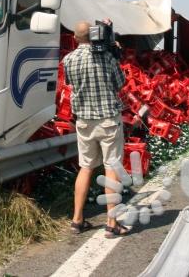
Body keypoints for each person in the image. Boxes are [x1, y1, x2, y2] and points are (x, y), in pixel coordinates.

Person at [62, 20, 130, 239]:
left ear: (75, 38)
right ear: (93, 35)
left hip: (84, 121)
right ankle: (111, 224)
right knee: (111, 167)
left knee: (86, 167)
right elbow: (120, 83)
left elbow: (71, 84)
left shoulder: (68, 60)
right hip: (108, 120)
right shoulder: (106, 57)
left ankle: (77, 220)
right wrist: (115, 54)